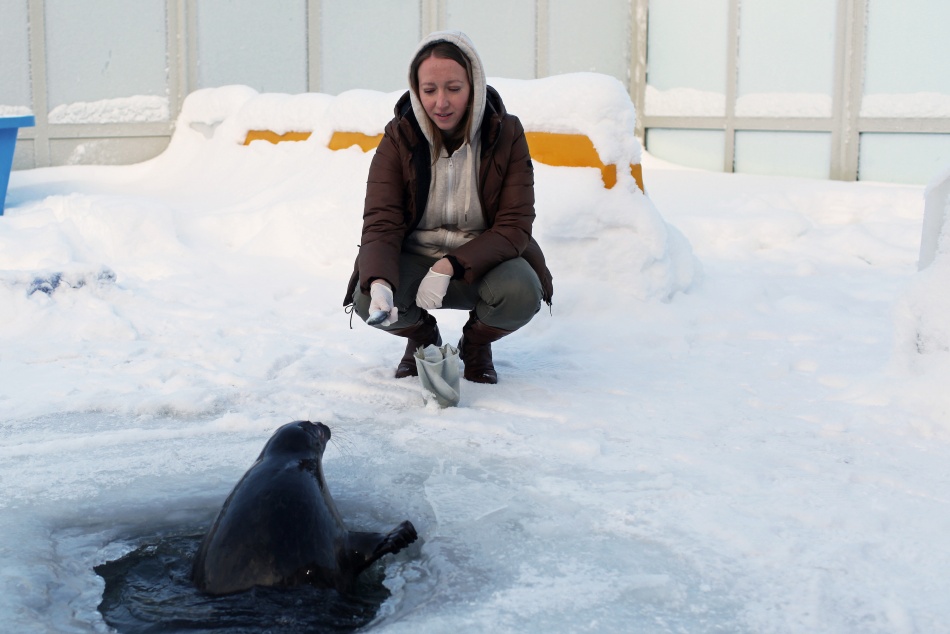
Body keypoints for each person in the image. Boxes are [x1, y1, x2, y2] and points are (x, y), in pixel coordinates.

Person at [344, 30, 553, 384]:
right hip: (414, 259)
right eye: (429, 90)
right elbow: (382, 221)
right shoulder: (399, 136)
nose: (441, 102)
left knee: (521, 292)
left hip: (484, 262)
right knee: (367, 299)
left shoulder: (506, 133)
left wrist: (449, 265)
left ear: (474, 85)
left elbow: (515, 226)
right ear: (416, 90)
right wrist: (379, 281)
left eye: (454, 88)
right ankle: (422, 338)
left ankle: (475, 345)